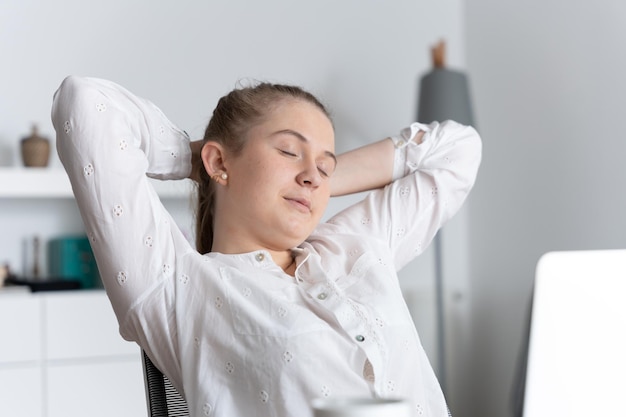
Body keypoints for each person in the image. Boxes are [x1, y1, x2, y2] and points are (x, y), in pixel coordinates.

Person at [51, 75, 481, 417]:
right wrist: (199, 162)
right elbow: (87, 103)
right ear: (219, 161)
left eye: (325, 164)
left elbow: (458, 149)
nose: (313, 174)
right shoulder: (176, 287)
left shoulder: (355, 247)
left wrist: (319, 183)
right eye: (290, 152)